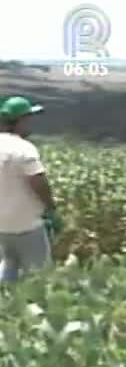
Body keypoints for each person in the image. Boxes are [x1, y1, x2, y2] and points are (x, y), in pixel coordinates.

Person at [0, 96, 61, 283]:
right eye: (28, 119)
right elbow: (38, 181)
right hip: (27, 223)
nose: (30, 124)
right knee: (39, 276)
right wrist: (51, 210)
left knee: (8, 264)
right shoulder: (24, 149)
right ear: (20, 121)